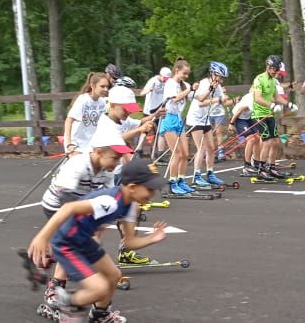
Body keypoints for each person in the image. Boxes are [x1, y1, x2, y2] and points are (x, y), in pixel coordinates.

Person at [26, 157, 167, 323]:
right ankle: (67, 303)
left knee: (114, 275)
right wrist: (42, 237)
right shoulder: (111, 201)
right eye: (149, 189)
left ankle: (100, 318)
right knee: (98, 288)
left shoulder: (131, 205)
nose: (153, 194)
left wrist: (153, 238)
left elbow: (129, 242)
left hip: (84, 239)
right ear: (132, 187)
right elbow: (67, 209)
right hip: (68, 243)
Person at [38, 138, 133, 309]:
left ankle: (46, 258)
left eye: (119, 159)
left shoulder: (107, 170)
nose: (117, 162)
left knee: (79, 243)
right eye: (114, 158)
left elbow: (108, 200)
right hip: (58, 206)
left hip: (82, 206)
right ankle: (55, 288)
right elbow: (66, 203)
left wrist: (97, 231)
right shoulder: (78, 165)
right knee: (70, 244)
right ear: (98, 152)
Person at [89, 85, 159, 265]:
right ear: (112, 105)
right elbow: (123, 149)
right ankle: (91, 265)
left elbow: (133, 127)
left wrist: (148, 122)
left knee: (131, 209)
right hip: (96, 182)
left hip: (112, 177)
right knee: (96, 227)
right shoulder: (106, 125)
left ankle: (125, 251)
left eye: (130, 109)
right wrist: (143, 171)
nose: (128, 113)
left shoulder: (119, 120)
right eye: (125, 109)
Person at [185, 61, 229, 189]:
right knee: (201, 148)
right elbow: (200, 101)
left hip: (205, 119)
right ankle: (196, 176)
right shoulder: (204, 83)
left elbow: (223, 102)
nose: (221, 80)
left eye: (222, 78)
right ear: (212, 73)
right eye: (219, 76)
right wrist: (217, 98)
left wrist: (235, 102)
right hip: (195, 118)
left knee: (211, 147)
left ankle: (210, 173)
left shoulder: (218, 87)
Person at [157, 58, 195, 195]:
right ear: (177, 71)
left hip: (179, 120)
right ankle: (172, 183)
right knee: (177, 154)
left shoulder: (183, 84)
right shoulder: (170, 84)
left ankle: (181, 180)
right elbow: (175, 99)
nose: (186, 76)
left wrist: (209, 89)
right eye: (184, 73)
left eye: (187, 74)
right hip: (169, 119)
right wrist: (190, 88)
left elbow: (198, 98)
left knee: (185, 154)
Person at [242, 54, 283, 180]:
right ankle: (261, 169)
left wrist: (288, 104)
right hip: (259, 115)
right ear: (268, 67)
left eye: (277, 69)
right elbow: (258, 98)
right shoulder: (259, 79)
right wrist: (271, 105)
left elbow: (276, 97)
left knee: (276, 141)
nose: (276, 72)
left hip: (269, 114)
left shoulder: (272, 81)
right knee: (267, 141)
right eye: (274, 69)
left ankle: (271, 167)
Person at [65, 72, 110, 153]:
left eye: (107, 86)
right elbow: (69, 120)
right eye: (102, 86)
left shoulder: (103, 102)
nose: (106, 89)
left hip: (91, 145)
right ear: (93, 86)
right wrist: (68, 144)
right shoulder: (83, 99)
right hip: (76, 145)